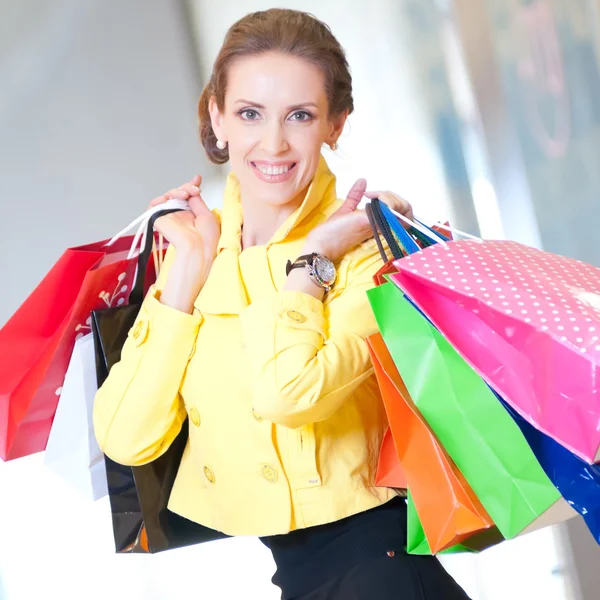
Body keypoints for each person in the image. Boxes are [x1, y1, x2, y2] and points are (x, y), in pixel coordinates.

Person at [94, 8, 470, 600]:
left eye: (300, 115)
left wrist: (314, 257)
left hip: (382, 573)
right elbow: (126, 438)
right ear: (218, 118)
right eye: (249, 114)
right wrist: (185, 277)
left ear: (335, 125)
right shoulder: (200, 253)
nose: (273, 144)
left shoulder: (368, 252)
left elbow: (287, 394)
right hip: (301, 582)